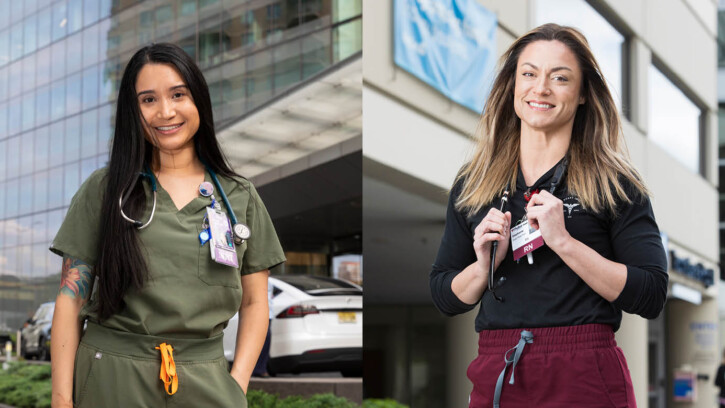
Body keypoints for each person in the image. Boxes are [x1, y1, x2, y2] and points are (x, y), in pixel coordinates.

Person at [430, 24, 668, 408]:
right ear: (512, 87)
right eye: (529, 74)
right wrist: (482, 267)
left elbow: (651, 293)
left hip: (584, 370)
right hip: (499, 367)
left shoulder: (615, 183)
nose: (540, 89)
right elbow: (445, 296)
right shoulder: (474, 183)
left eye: (560, 78)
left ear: (584, 94)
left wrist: (564, 242)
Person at [49, 43, 286, 408]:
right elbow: (70, 297)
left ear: (199, 101)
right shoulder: (106, 189)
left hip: (206, 379)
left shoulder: (240, 197)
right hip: (111, 377)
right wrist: (62, 400)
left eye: (178, 94)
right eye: (148, 100)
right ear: (133, 111)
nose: (165, 111)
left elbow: (256, 302)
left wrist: (236, 384)